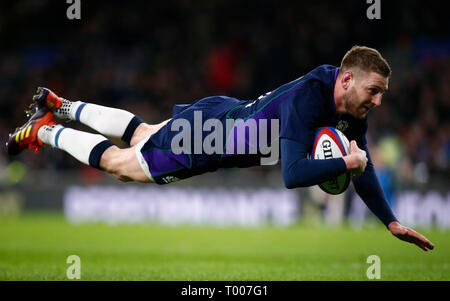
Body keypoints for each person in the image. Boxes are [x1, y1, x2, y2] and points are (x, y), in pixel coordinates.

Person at [6, 45, 434, 251]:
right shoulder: (311, 99)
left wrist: (390, 221)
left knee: (140, 135)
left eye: (382, 95)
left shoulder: (344, 97)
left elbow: (365, 161)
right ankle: (44, 130)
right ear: (347, 80)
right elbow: (292, 174)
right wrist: (346, 162)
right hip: (205, 141)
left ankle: (61, 105)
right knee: (122, 165)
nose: (378, 102)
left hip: (223, 113)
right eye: (374, 91)